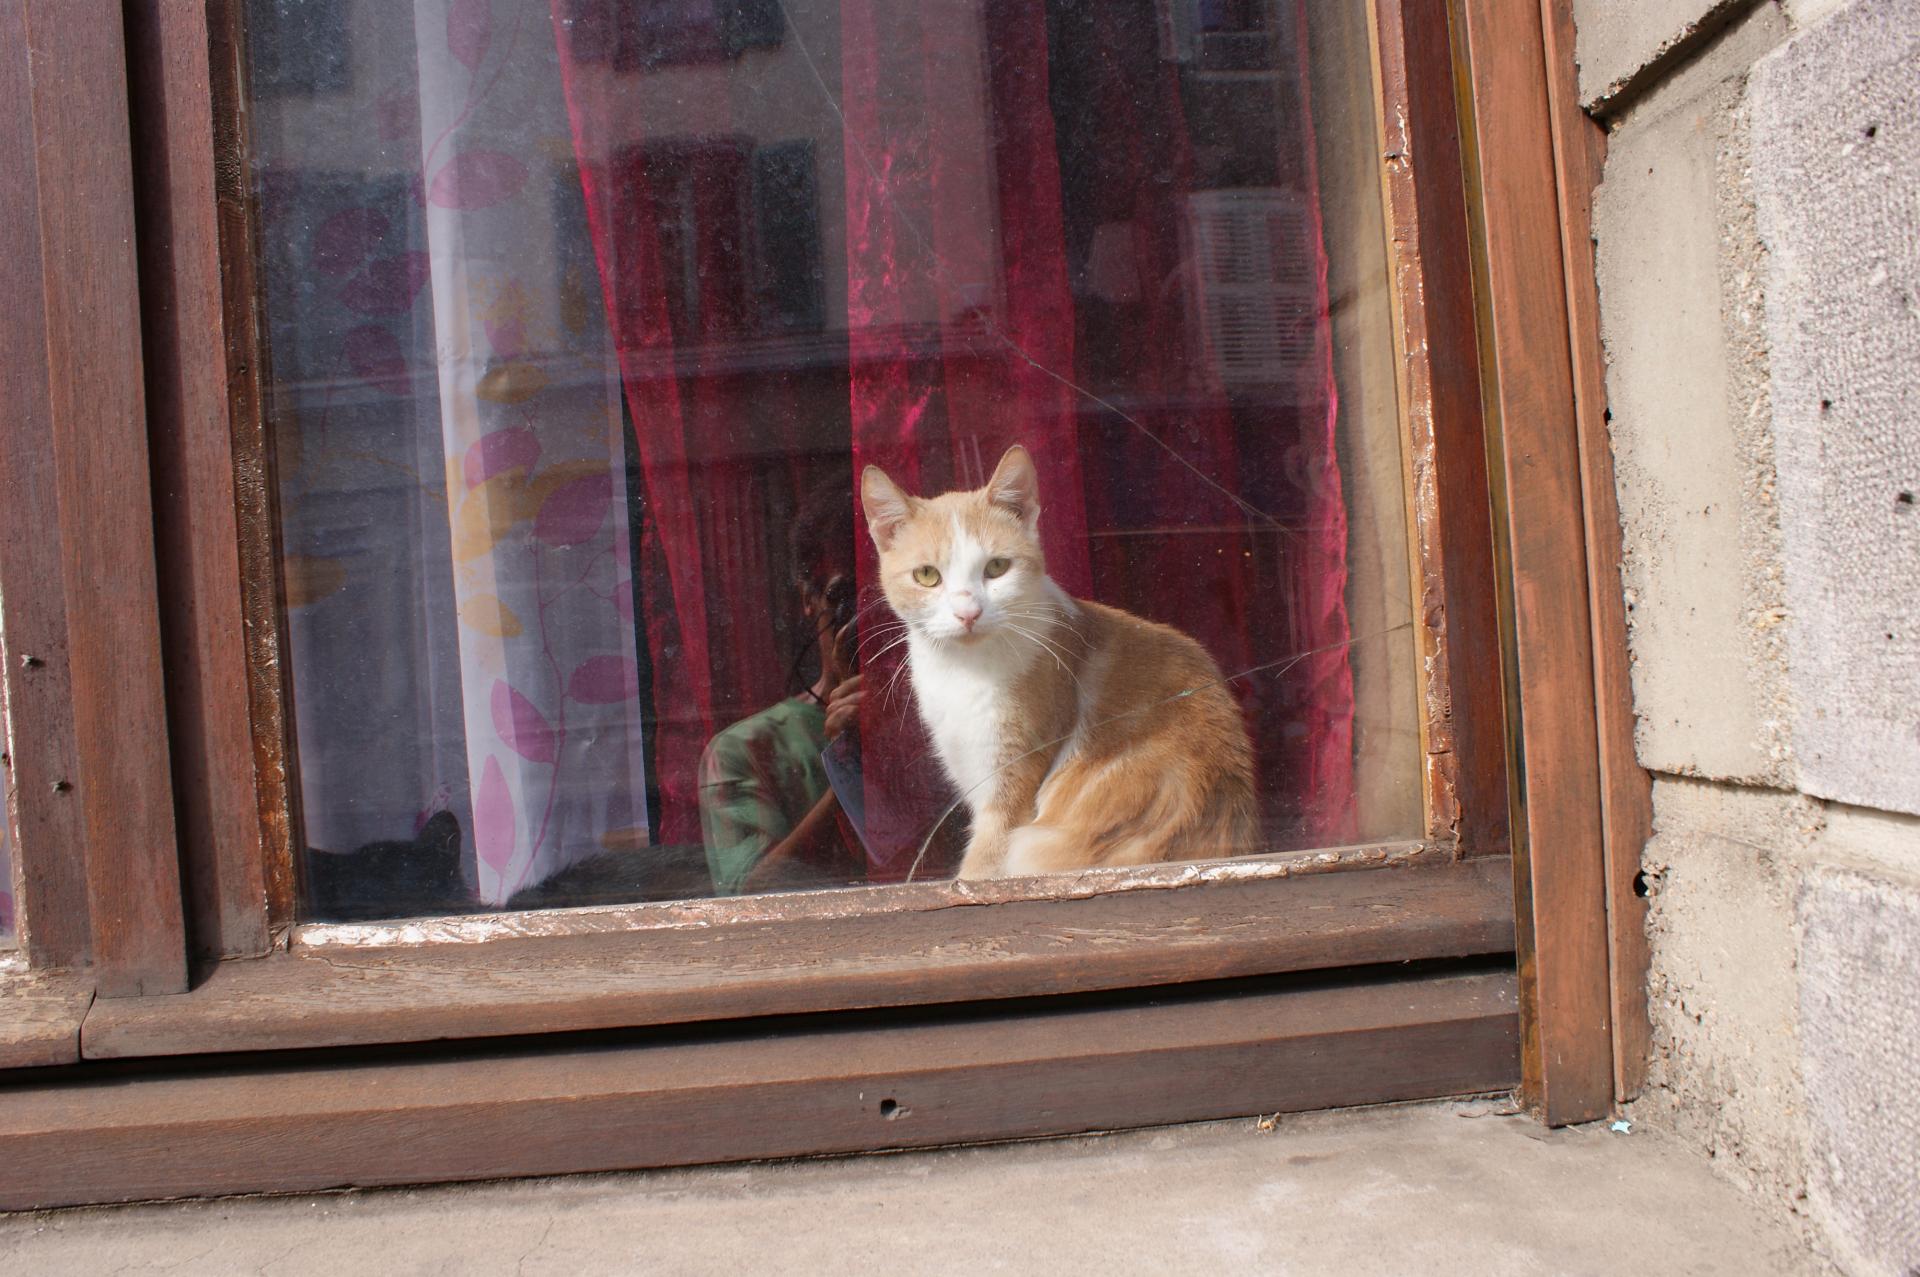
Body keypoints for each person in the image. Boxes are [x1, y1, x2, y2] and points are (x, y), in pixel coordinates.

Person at [698, 478, 867, 895]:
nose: (869, 612)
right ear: (808, 600)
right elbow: (750, 899)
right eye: (846, 595)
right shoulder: (748, 750)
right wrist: (856, 758)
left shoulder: (953, 716)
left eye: (880, 592)